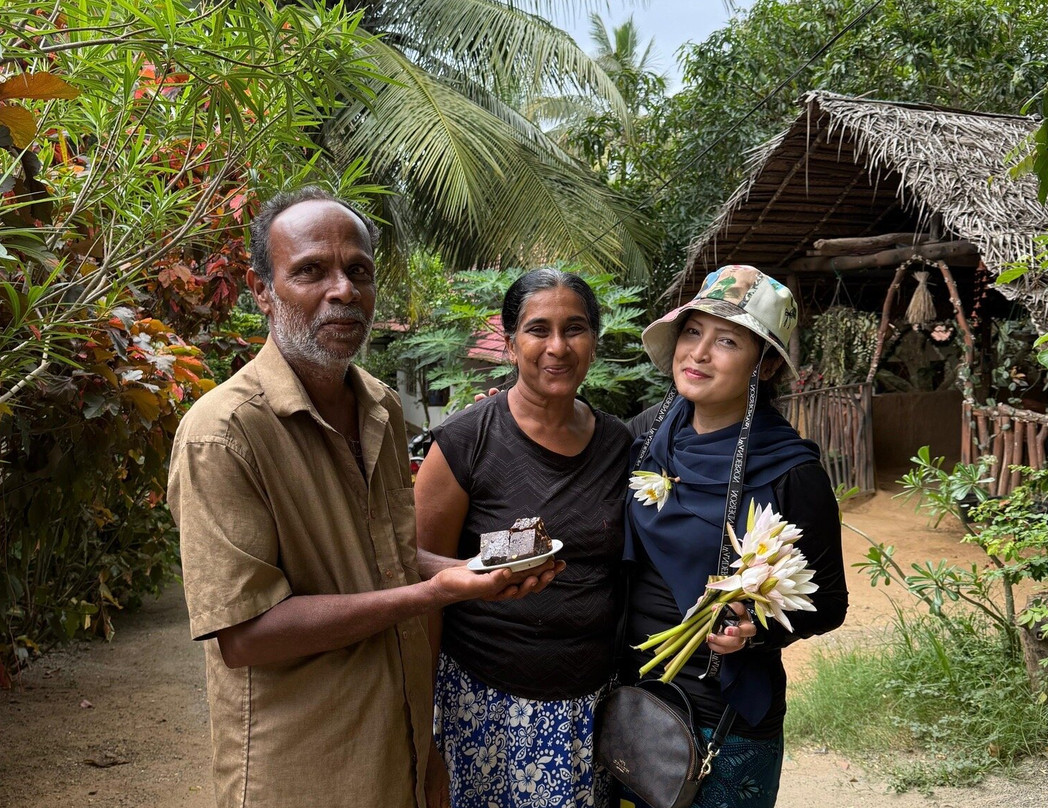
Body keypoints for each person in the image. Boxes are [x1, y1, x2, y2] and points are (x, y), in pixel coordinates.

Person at [168, 187, 557, 808]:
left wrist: (471, 572)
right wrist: (430, 594)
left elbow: (386, 558)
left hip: (395, 752)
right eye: (310, 271)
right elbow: (245, 634)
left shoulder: (376, 405)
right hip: (299, 775)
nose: (343, 290)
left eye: (359, 271)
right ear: (262, 289)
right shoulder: (223, 435)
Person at [621, 265, 848, 808]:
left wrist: (757, 630)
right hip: (631, 695)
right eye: (693, 332)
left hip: (723, 720)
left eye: (727, 340)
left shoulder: (791, 474)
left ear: (765, 365)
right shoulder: (648, 432)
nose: (698, 353)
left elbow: (830, 604)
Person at [415, 268, 632, 808]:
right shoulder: (466, 442)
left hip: (589, 705)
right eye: (539, 329)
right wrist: (423, 724)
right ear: (511, 344)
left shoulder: (619, 445)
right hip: (483, 703)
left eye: (575, 328)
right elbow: (415, 563)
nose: (557, 346)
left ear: (594, 342)